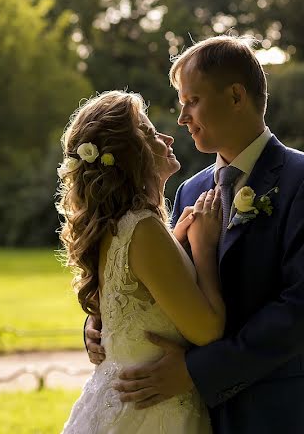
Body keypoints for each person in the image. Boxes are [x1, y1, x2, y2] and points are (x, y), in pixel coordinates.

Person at [87, 35, 304, 433]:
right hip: (203, 418)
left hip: (283, 413)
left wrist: (196, 371)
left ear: (236, 96)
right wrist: (103, 324)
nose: (182, 118)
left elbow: (303, 312)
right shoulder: (190, 191)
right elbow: (167, 286)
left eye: (191, 101)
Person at [58, 90, 222, 433]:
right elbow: (207, 331)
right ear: (128, 157)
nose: (166, 136)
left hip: (121, 403)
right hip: (152, 412)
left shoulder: (117, 226)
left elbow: (142, 292)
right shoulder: (142, 228)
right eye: (148, 134)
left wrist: (176, 243)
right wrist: (204, 250)